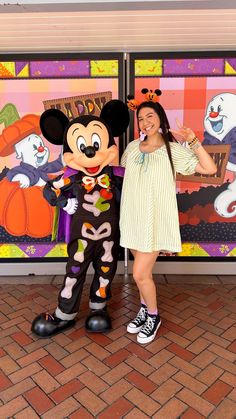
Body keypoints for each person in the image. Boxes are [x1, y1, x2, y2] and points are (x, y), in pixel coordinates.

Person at [120, 98, 217, 345]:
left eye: (150, 116)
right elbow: (124, 173)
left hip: (155, 220)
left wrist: (192, 140)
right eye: (141, 118)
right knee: (144, 273)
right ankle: (143, 309)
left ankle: (153, 316)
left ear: (160, 118)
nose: (145, 122)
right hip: (132, 217)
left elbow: (209, 169)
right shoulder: (131, 148)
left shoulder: (173, 150)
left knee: (140, 274)